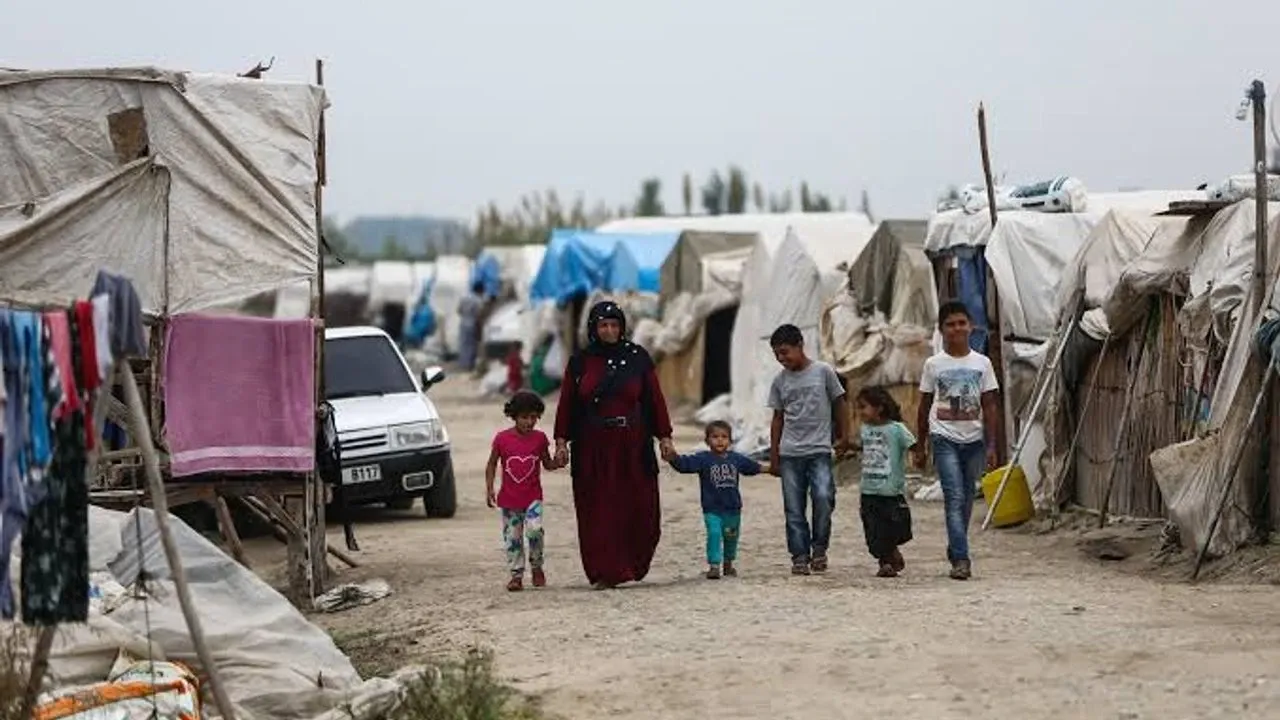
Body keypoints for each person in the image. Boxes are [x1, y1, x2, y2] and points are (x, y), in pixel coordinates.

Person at [553, 301, 675, 588]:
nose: (609, 330)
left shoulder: (638, 358)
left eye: (614, 325)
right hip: (593, 446)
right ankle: (606, 571)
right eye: (603, 325)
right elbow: (567, 404)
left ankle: (633, 564)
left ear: (622, 327)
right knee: (598, 509)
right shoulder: (581, 362)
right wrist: (561, 442)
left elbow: (654, 400)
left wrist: (665, 437)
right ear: (594, 328)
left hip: (632, 444)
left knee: (641, 507)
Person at [913, 300, 1000, 581]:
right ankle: (962, 559)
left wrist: (992, 445)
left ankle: (955, 544)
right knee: (954, 496)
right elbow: (924, 406)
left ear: (971, 326)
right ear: (942, 330)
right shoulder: (933, 365)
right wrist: (920, 445)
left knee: (966, 498)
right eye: (950, 324)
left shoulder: (982, 363)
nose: (957, 328)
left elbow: (990, 405)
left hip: (974, 440)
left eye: (962, 323)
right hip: (944, 437)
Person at [767, 324, 850, 576]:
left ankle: (819, 548)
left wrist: (845, 436)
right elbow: (777, 419)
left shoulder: (823, 372)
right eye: (777, 354)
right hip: (790, 453)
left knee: (824, 498)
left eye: (785, 352)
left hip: (819, 451)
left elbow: (840, 404)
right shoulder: (779, 381)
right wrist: (774, 456)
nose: (781, 358)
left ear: (800, 345)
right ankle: (800, 555)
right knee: (794, 508)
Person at [667, 421, 768, 580]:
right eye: (715, 437)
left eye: (724, 437)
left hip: (732, 509)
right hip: (712, 509)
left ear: (730, 441)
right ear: (707, 441)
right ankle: (714, 565)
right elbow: (684, 465)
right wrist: (673, 458)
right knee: (714, 534)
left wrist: (773, 469)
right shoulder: (703, 459)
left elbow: (754, 467)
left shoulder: (736, 459)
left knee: (731, 537)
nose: (720, 440)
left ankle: (728, 563)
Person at [486, 391, 559, 592]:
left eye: (534, 417)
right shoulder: (502, 439)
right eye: (524, 417)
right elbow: (492, 464)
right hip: (509, 501)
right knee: (513, 538)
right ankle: (516, 575)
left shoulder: (540, 438)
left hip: (533, 498)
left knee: (535, 530)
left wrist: (558, 462)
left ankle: (537, 565)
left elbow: (547, 463)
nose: (529, 422)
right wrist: (490, 487)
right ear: (514, 416)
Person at [854, 386, 916, 578]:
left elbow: (913, 445)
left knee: (894, 528)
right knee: (873, 531)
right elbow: (860, 447)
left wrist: (920, 456)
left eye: (863, 407)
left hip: (890, 491)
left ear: (879, 408)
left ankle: (891, 554)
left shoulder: (897, 429)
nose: (860, 412)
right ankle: (885, 561)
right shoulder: (865, 430)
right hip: (868, 490)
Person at [456, 282, 486, 371]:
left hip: (463, 323)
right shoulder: (478, 300)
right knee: (471, 345)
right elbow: (479, 314)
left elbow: (458, 310)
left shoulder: (464, 297)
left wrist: (465, 315)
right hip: (472, 323)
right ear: (480, 290)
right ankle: (469, 365)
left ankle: (463, 364)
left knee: (463, 344)